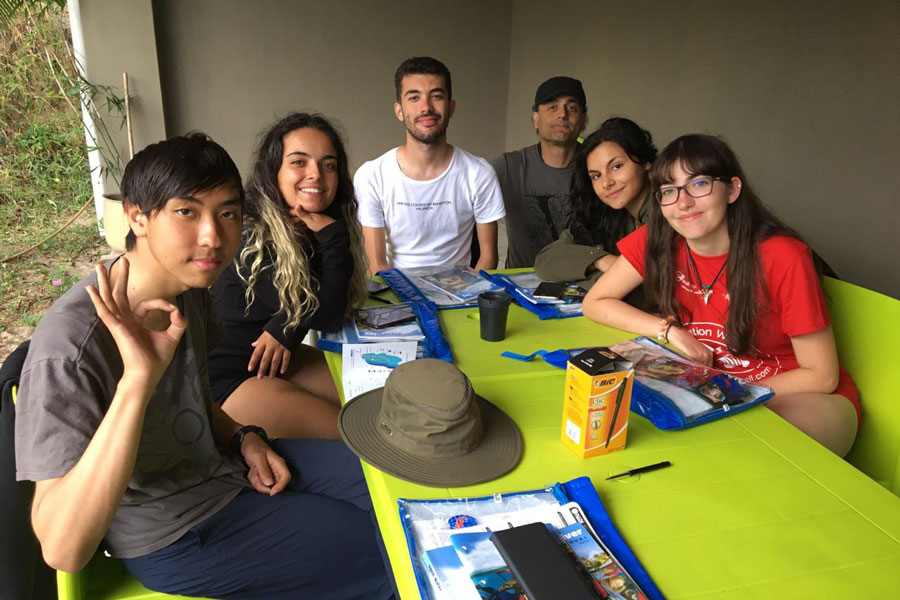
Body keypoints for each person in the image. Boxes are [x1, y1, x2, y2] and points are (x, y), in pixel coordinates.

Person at [14, 133, 394, 599]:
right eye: (186, 212)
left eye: (227, 213)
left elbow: (191, 397)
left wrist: (242, 436)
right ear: (137, 216)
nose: (212, 237)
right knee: (392, 548)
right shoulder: (71, 346)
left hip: (225, 466)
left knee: (396, 480)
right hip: (179, 531)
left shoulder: (187, 287)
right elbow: (62, 550)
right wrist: (137, 380)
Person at [582, 134, 859, 456]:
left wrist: (725, 391)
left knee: (747, 451)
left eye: (699, 184)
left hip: (797, 392)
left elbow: (821, 376)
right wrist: (670, 331)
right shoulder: (659, 239)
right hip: (714, 388)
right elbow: (596, 302)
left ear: (732, 189)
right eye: (669, 191)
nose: (683, 203)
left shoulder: (782, 256)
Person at [209, 112, 366, 440]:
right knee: (359, 433)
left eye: (328, 164)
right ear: (274, 171)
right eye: (298, 162)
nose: (316, 174)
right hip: (230, 380)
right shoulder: (251, 234)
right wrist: (333, 238)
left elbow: (320, 305)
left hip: (278, 359)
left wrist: (285, 329)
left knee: (372, 402)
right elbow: (323, 312)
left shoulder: (311, 227)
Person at [354, 56, 506, 274]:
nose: (426, 107)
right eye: (414, 98)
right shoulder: (372, 175)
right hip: (395, 290)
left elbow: (488, 257)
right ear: (399, 110)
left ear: (451, 107)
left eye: (436, 96)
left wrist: (466, 291)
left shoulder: (478, 173)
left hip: (459, 289)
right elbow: (377, 265)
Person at [534, 117, 656, 293]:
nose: (606, 183)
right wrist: (600, 260)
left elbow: (646, 293)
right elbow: (545, 259)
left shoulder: (670, 211)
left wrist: (605, 278)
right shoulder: (609, 214)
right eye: (596, 176)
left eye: (616, 166)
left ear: (645, 162)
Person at [492, 76, 588, 268]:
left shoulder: (597, 168)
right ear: (536, 118)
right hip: (519, 280)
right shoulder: (508, 167)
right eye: (552, 107)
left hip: (583, 280)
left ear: (584, 120)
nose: (562, 114)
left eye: (572, 108)